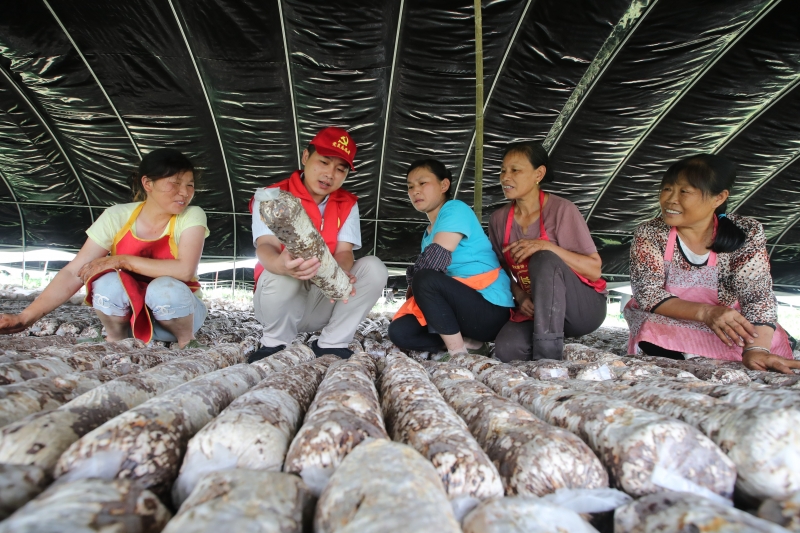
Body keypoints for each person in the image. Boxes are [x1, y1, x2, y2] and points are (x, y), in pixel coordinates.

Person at [0, 148, 209, 348]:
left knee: (164, 288)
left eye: (190, 185)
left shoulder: (192, 215)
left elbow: (184, 271)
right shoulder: (116, 216)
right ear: (147, 183)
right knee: (106, 281)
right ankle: (115, 337)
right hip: (129, 321)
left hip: (176, 319)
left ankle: (186, 341)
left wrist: (120, 260)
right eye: (175, 183)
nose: (184, 192)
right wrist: (25, 317)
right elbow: (75, 272)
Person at [625, 154, 799, 373]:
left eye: (684, 191)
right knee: (650, 330)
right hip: (671, 319)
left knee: (754, 339)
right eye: (667, 189)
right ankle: (699, 354)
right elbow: (647, 293)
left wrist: (757, 349)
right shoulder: (650, 232)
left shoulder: (747, 231)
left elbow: (757, 296)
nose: (670, 199)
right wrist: (706, 313)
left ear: (719, 198)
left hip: (726, 323)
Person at [249, 126, 388, 362]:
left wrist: (340, 274)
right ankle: (274, 343)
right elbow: (266, 245)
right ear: (306, 157)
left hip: (322, 301)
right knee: (286, 267)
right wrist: (281, 265)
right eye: (323, 162)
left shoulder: (347, 203)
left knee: (374, 267)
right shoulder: (273, 196)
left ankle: (332, 343)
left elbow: (345, 252)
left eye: (340, 169)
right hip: (278, 301)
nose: (330, 174)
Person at [488, 142, 607, 361]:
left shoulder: (562, 210)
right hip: (538, 309)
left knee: (544, 258)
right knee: (507, 349)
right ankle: (548, 340)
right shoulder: (498, 220)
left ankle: (548, 360)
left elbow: (594, 270)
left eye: (515, 170)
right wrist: (520, 294)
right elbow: (499, 268)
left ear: (539, 173)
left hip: (581, 309)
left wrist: (548, 246)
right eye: (503, 170)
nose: (505, 177)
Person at [388, 159, 514, 356]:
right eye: (410, 187)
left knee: (425, 278)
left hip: (490, 308)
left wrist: (416, 285)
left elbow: (434, 259)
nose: (415, 191)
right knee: (399, 332)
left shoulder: (455, 209)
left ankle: (458, 353)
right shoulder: (428, 233)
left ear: (444, 185)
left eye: (422, 183)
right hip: (459, 309)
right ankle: (471, 343)